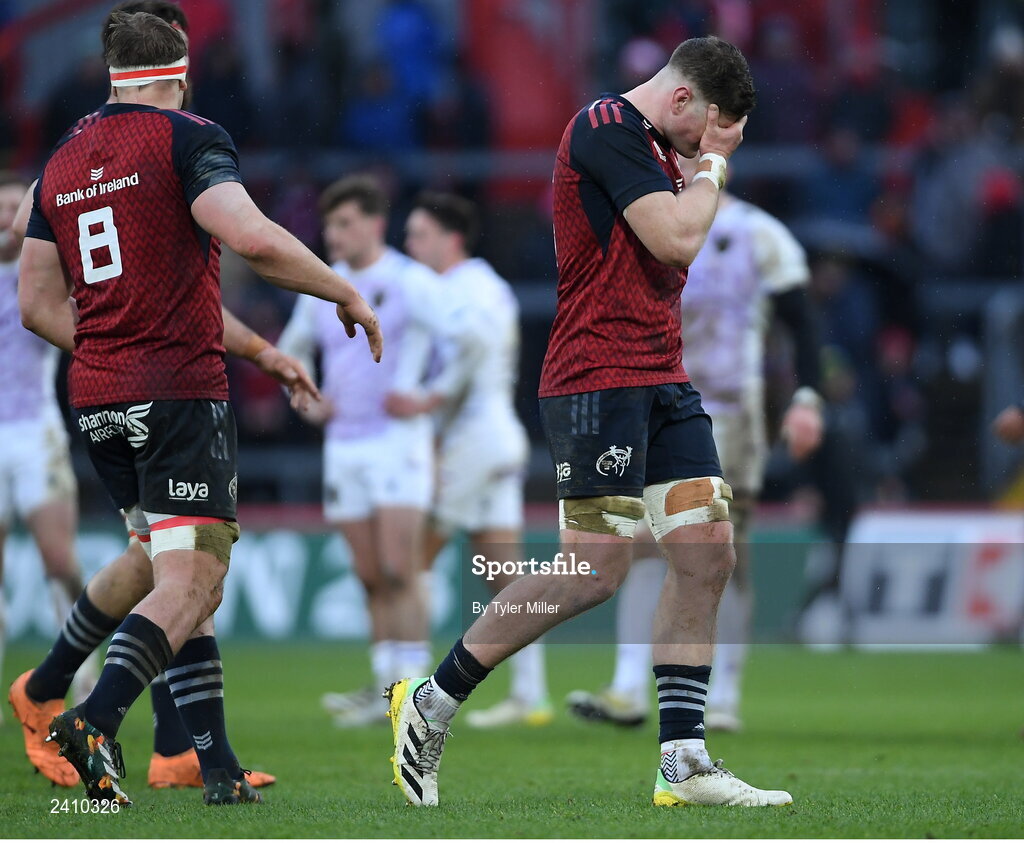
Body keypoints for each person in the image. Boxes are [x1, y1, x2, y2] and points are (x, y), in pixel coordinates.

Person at [386, 36, 792, 808]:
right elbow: (677, 238)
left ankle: (684, 759)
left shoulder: (650, 141)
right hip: (596, 378)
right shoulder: (605, 127)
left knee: (708, 555)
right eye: (700, 132)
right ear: (681, 102)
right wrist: (711, 166)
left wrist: (700, 161)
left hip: (662, 376)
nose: (698, 152)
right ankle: (431, 701)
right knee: (592, 572)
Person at [18, 11, 380, 805]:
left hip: (99, 397)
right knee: (195, 577)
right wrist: (342, 288)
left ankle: (211, 766)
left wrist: (115, 347)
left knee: (179, 572)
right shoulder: (188, 137)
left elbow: (37, 304)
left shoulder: (63, 159)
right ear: (181, 76)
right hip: (176, 391)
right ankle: (92, 717)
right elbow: (249, 237)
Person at [566, 175, 823, 733]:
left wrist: (806, 398)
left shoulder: (757, 234)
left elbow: (803, 324)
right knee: (641, 542)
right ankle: (628, 688)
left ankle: (724, 695)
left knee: (726, 554)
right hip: (649, 404)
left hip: (728, 415)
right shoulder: (646, 221)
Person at [278, 175, 446, 728]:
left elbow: (462, 348)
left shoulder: (410, 280)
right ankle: (385, 688)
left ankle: (418, 691)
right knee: (371, 573)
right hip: (344, 447)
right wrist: (305, 400)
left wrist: (427, 401)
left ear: (375, 224)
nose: (334, 233)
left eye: (345, 222)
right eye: (329, 224)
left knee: (402, 566)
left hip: (398, 443)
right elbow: (289, 355)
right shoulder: (321, 287)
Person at [404, 192, 549, 729]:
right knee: (507, 579)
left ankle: (403, 683)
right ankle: (531, 694)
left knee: (412, 561)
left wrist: (430, 402)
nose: (410, 244)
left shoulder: (462, 289)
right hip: (500, 437)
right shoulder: (487, 286)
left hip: (474, 440)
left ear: (451, 238)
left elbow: (467, 351)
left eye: (419, 234)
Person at [0, 172, 99, 720]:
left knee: (59, 560)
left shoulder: (40, 273)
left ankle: (80, 667)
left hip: (36, 430)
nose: (7, 217)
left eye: (16, 206)